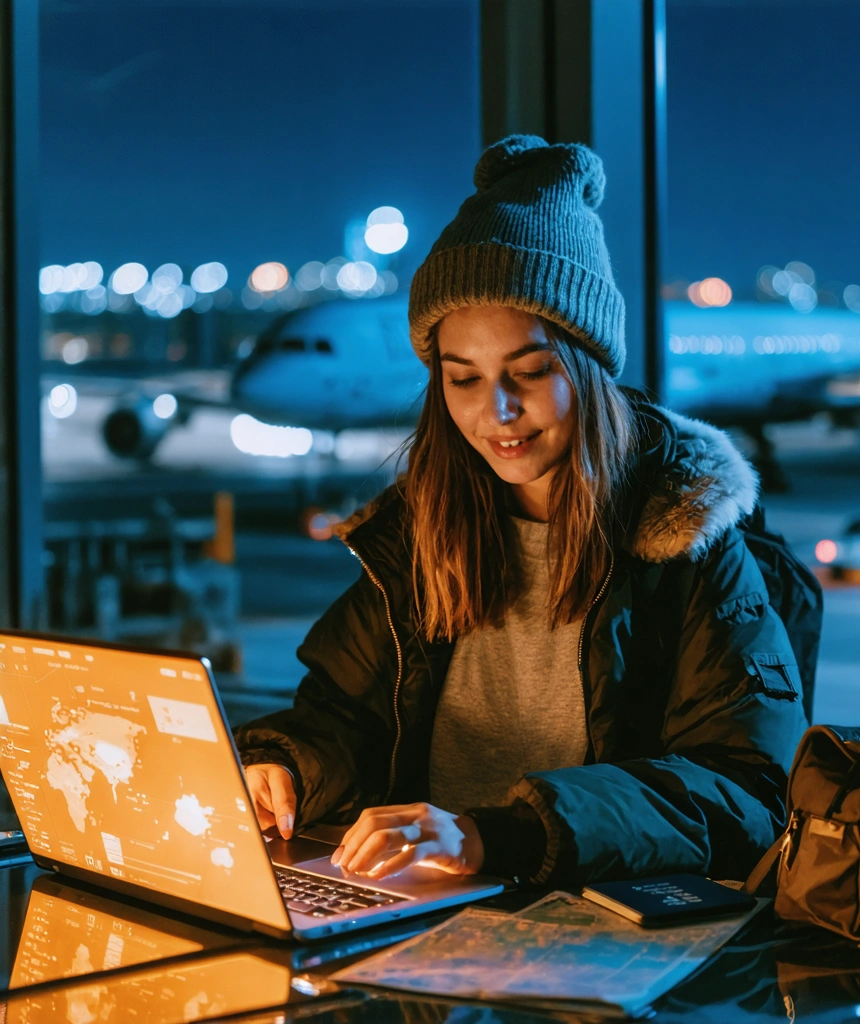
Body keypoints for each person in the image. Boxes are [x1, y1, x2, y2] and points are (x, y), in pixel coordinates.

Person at [236, 135, 807, 886]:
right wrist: (286, 765)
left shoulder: (689, 545)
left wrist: (495, 837)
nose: (496, 413)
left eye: (530, 372)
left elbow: (750, 789)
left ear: (588, 370)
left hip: (594, 931)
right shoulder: (419, 534)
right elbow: (343, 716)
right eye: (462, 378)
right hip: (423, 913)